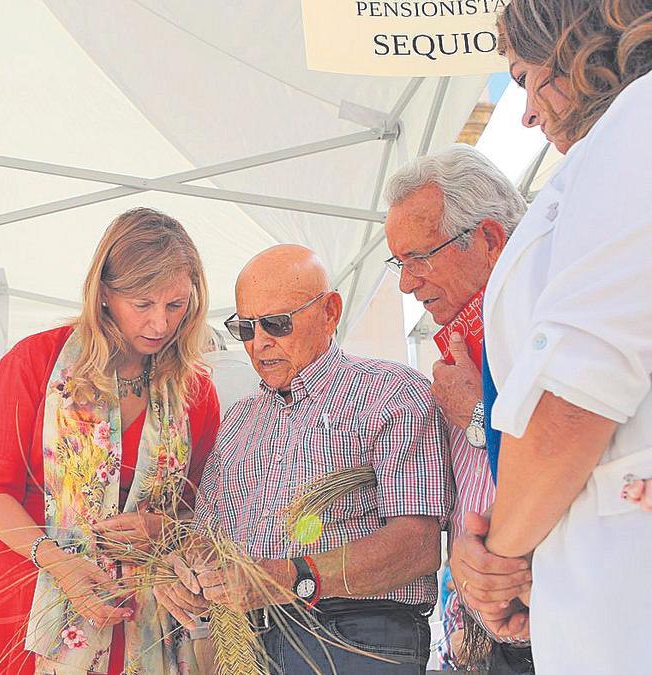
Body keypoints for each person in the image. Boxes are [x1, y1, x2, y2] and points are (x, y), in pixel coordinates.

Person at [453, 2, 652, 673]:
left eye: (523, 76)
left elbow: (575, 397)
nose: (529, 114)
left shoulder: (640, 121)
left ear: (569, 48)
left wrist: (498, 559)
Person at [0, 207, 222, 675]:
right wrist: (62, 566)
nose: (160, 324)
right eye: (143, 304)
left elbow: (202, 509)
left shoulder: (196, 392)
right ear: (105, 294)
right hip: (24, 609)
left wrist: (164, 529)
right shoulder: (34, 361)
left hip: (141, 623)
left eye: (175, 305)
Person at [161, 245, 451, 674]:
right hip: (249, 642)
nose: (260, 343)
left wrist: (291, 577)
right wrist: (186, 571)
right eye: (246, 328)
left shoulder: (389, 392)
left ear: (330, 311)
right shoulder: (240, 421)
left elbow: (418, 547)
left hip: (354, 636)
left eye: (277, 323)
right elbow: (209, 541)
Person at [381, 144, 532, 673]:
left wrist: (474, 413)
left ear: (489, 241)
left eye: (419, 257)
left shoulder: (544, 325)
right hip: (480, 635)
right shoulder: (460, 348)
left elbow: (564, 468)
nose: (405, 281)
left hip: (552, 619)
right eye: (398, 263)